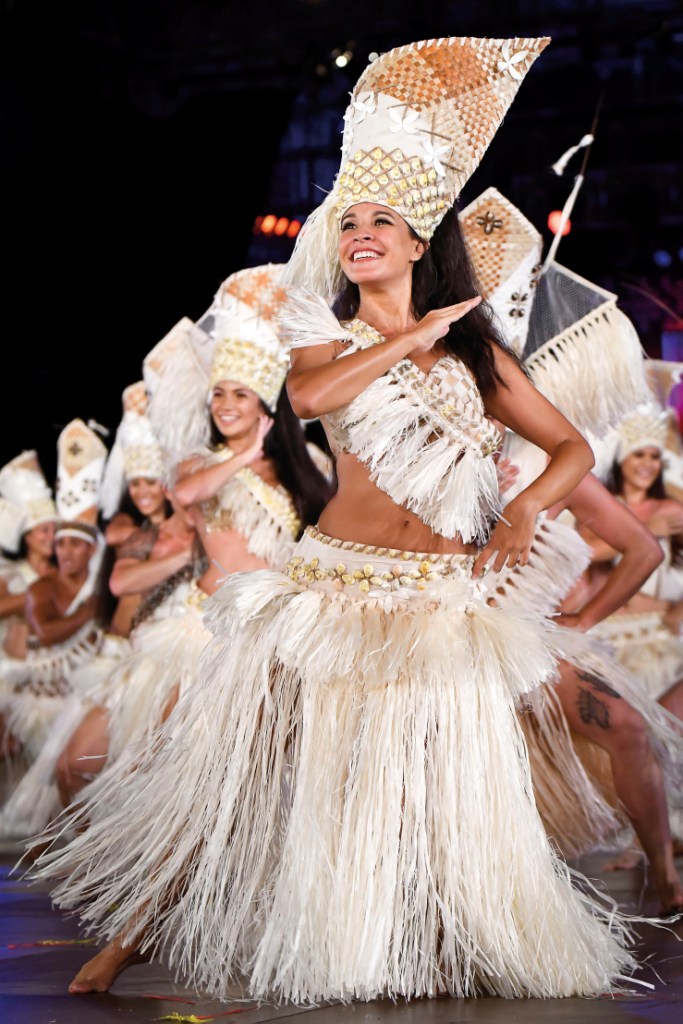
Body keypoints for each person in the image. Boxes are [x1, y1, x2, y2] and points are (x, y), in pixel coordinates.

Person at [27, 35, 645, 1002]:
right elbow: (312, 400)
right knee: (233, 771)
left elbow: (568, 448)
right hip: (327, 591)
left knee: (432, 798)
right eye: (346, 218)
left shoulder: (476, 363)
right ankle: (133, 930)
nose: (359, 231)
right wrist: (411, 339)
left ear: (415, 240)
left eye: (381, 220)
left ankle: (430, 939)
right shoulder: (319, 331)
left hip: (440, 605)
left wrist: (524, 508)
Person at [0, 451, 57, 757]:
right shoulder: (11, 574)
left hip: (51, 678)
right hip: (9, 678)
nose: (51, 536)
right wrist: (32, 596)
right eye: (43, 530)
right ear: (27, 535)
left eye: (54, 529)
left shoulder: (63, 573)